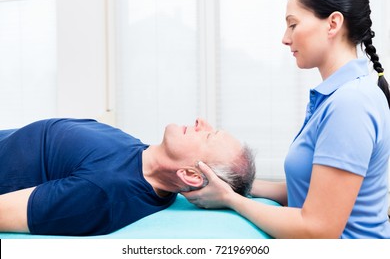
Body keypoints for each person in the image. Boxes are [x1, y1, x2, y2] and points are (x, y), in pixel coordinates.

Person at [183, 0, 390, 239]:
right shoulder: (339, 97)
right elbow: (307, 189)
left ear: (333, 23)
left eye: (293, 24)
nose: (285, 38)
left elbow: (319, 229)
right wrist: (236, 186)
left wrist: (230, 199)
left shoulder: (351, 103)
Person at [0, 117, 255, 236]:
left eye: (209, 135)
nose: (202, 122)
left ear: (190, 175)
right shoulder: (142, 157)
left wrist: (232, 198)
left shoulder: (103, 193)